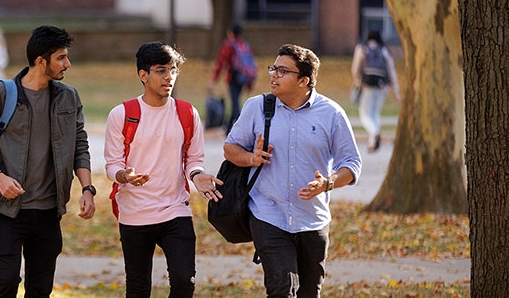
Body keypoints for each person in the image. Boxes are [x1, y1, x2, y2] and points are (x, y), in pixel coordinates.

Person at [0, 25, 95, 297]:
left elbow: (79, 145)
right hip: (6, 208)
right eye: (61, 57)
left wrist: (87, 189)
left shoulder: (68, 97)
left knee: (40, 287)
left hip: (48, 210)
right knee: (7, 280)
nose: (67, 64)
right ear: (40, 61)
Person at [223, 44, 362, 297]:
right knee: (281, 290)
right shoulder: (257, 107)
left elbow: (352, 164)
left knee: (310, 292)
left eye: (282, 71)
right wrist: (251, 158)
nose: (273, 75)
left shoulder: (332, 114)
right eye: (273, 68)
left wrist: (327, 183)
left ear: (304, 80)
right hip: (268, 214)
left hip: (313, 219)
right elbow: (230, 148)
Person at [104, 41, 222, 297]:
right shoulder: (122, 114)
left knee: (184, 282)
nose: (169, 77)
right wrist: (124, 176)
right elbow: (112, 164)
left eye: (173, 69)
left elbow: (194, 158)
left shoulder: (186, 113)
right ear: (143, 75)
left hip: (175, 210)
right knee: (138, 288)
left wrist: (197, 175)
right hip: (134, 212)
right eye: (161, 70)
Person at [351, 30, 400, 153]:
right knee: (375, 114)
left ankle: (375, 133)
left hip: (367, 84)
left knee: (365, 115)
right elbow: (391, 71)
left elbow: (355, 68)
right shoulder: (384, 50)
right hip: (381, 86)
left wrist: (357, 81)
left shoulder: (362, 48)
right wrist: (395, 90)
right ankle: (372, 143)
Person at [208, 24, 257, 135]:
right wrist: (250, 83)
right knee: (235, 101)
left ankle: (243, 129)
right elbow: (250, 64)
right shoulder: (244, 45)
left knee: (235, 104)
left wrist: (214, 80)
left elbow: (221, 62)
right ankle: (228, 128)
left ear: (230, 32)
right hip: (243, 78)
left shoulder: (229, 45)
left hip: (233, 77)